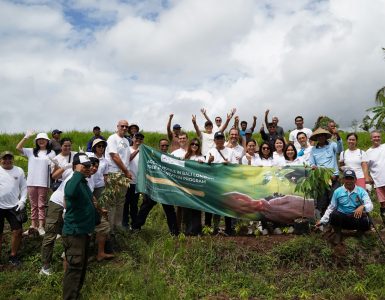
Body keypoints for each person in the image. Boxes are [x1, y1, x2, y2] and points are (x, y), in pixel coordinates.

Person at [62, 153, 95, 300]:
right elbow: (69, 192)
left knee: (81, 268)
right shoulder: (73, 181)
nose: (89, 168)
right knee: (74, 269)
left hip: (84, 232)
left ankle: (75, 295)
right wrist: (77, 172)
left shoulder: (83, 183)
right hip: (74, 233)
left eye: (90, 166)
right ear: (77, 167)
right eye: (85, 166)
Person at [132, 139, 179, 235]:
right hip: (153, 187)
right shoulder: (153, 156)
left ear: (168, 146)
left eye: (166, 145)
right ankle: (136, 227)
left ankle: (174, 233)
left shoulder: (171, 158)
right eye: (162, 146)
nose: (164, 147)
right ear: (159, 146)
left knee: (170, 211)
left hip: (166, 189)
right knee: (145, 207)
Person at [317, 169, 373, 245]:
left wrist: (363, 206)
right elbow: (331, 207)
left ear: (355, 180)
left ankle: (360, 233)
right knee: (334, 215)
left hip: (355, 218)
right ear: (343, 179)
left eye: (351, 178)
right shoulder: (337, 191)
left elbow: (370, 205)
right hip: (342, 218)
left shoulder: (361, 191)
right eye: (347, 178)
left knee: (366, 220)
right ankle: (338, 233)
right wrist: (322, 220)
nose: (349, 181)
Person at [16, 131, 55, 235]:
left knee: (41, 205)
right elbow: (18, 148)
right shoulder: (31, 151)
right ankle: (33, 225)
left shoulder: (51, 153)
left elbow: (53, 167)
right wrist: (26, 137)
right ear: (37, 141)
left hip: (43, 182)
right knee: (33, 205)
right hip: (31, 182)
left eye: (44, 140)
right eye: (39, 140)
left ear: (47, 141)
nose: (41, 141)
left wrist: (53, 166)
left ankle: (41, 226)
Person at [206, 131, 238, 235]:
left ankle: (229, 228)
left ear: (224, 140)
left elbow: (235, 166)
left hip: (227, 183)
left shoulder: (230, 151)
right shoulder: (210, 151)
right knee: (215, 206)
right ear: (214, 141)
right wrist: (209, 161)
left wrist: (228, 164)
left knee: (227, 205)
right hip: (214, 184)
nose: (219, 140)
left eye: (221, 138)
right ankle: (214, 228)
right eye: (217, 138)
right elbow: (206, 168)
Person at [0, 151, 27, 266]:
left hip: (14, 206)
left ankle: (13, 255)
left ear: (13, 159)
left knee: (17, 231)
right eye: (4, 158)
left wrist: (23, 201)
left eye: (9, 158)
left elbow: (24, 187)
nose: (7, 161)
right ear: (0, 160)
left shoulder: (19, 170)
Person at [105, 120, 132, 231]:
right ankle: (109, 228)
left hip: (124, 174)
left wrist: (126, 172)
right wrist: (126, 171)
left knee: (121, 201)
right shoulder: (112, 138)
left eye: (126, 126)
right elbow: (114, 156)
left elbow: (126, 157)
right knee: (111, 201)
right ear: (117, 126)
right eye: (122, 126)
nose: (125, 128)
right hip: (114, 173)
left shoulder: (126, 140)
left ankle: (118, 225)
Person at [309, 128, 343, 216]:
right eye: (318, 136)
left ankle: (335, 221)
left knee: (334, 199)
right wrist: (314, 167)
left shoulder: (332, 145)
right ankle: (324, 221)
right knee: (322, 201)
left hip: (334, 178)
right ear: (316, 138)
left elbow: (340, 150)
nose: (320, 138)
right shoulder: (313, 150)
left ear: (325, 137)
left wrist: (338, 136)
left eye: (322, 136)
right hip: (321, 179)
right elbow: (312, 163)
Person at [183, 138, 205, 235]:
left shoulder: (201, 157)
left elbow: (205, 171)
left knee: (196, 209)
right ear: (190, 145)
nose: (194, 146)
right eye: (192, 144)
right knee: (187, 209)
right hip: (187, 186)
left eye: (196, 144)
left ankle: (197, 230)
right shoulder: (186, 157)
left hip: (197, 186)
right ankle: (188, 230)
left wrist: (202, 164)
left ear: (199, 146)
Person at [122, 133, 144, 229]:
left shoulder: (144, 151)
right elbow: (128, 159)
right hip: (127, 181)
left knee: (134, 205)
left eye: (140, 138)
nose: (138, 140)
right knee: (125, 204)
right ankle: (124, 224)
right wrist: (137, 151)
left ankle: (135, 225)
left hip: (137, 182)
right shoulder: (128, 149)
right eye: (137, 138)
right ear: (133, 139)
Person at [366, 130, 385, 226]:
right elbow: (366, 168)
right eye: (374, 137)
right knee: (383, 204)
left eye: (378, 136)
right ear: (371, 138)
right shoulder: (368, 152)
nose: (376, 138)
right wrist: (368, 177)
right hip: (378, 181)